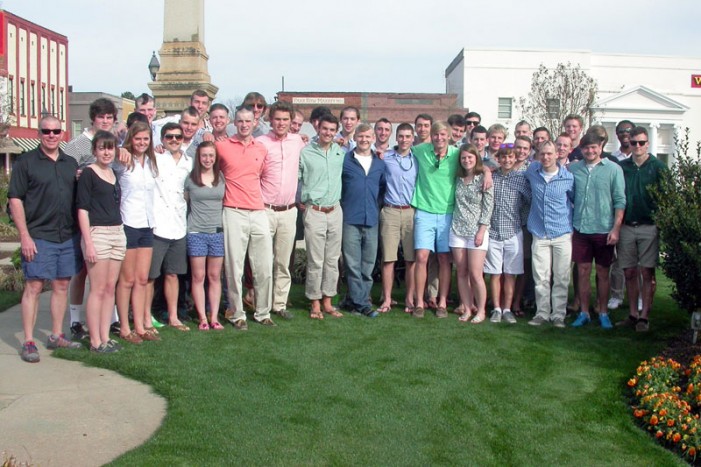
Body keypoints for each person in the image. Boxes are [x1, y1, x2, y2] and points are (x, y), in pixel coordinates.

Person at [9, 116, 83, 362]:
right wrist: (24, 236)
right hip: (39, 236)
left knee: (62, 285)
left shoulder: (70, 163)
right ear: (39, 133)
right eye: (46, 131)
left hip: (67, 235)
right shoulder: (26, 163)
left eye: (56, 131)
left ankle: (56, 335)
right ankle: (29, 341)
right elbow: (15, 199)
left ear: (62, 133)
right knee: (35, 286)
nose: (51, 135)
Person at [64, 97, 119, 340]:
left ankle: (110, 321)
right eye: (101, 117)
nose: (105, 121)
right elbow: (65, 175)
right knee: (83, 272)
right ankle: (76, 320)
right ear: (93, 119)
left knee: (107, 280)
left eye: (109, 118)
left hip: (109, 218)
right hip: (85, 217)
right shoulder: (77, 146)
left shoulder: (114, 143)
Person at [217, 106, 275, 329]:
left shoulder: (260, 148)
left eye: (247, 121)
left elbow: (262, 175)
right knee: (234, 267)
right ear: (234, 122)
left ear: (254, 123)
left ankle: (263, 312)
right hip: (233, 210)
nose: (243, 124)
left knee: (263, 265)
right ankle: (237, 314)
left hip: (258, 210)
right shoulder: (222, 147)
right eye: (240, 121)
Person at [76, 131, 126, 352]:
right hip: (98, 234)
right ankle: (95, 340)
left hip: (117, 232)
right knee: (97, 289)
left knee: (109, 288)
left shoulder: (114, 173)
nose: (107, 152)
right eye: (102, 148)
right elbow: (82, 210)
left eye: (110, 148)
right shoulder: (89, 173)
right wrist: (88, 242)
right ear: (94, 150)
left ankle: (105, 336)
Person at [569, 132, 626, 329]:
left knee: (603, 273)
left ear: (600, 147)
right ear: (581, 149)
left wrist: (616, 228)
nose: (590, 151)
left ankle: (603, 312)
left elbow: (620, 200)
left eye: (594, 147)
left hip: (604, 230)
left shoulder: (613, 169)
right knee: (583, 271)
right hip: (581, 229)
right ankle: (584, 312)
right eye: (586, 147)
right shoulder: (573, 169)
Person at [258, 101, 306, 319]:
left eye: (285, 119)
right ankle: (262, 305)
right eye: (277, 119)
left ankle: (279, 304)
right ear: (270, 119)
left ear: (291, 121)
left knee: (283, 262)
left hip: (289, 210)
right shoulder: (261, 143)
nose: (281, 123)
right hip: (265, 209)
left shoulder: (298, 142)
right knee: (263, 261)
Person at [616, 127, 667, 332]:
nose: (637, 146)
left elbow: (665, 198)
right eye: (633, 142)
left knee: (647, 272)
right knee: (628, 271)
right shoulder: (622, 167)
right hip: (627, 226)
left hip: (649, 226)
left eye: (641, 142)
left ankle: (644, 316)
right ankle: (632, 314)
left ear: (647, 144)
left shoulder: (658, 167)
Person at [113, 121, 160, 343]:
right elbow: (104, 159)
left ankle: (140, 326)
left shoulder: (151, 162)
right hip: (128, 223)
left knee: (142, 278)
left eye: (146, 139)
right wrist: (119, 149)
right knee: (127, 279)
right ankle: (124, 327)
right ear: (131, 138)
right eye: (138, 138)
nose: (142, 143)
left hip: (147, 225)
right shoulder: (123, 161)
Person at [298, 113, 346, 319]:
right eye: (325, 129)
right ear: (318, 128)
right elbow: (296, 178)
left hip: (335, 210)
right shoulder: (305, 152)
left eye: (332, 130)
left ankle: (328, 300)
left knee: (332, 259)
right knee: (316, 260)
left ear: (336, 132)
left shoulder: (340, 152)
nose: (328, 133)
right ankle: (315, 301)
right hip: (314, 211)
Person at [411, 121, 459, 318]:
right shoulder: (421, 150)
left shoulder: (456, 154)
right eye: (435, 135)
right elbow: (401, 150)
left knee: (444, 259)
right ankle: (420, 303)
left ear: (448, 135)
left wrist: (488, 172)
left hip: (447, 213)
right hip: (424, 211)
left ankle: (441, 302)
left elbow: (478, 162)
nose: (439, 138)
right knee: (421, 257)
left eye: (442, 134)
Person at [148, 122, 193, 331]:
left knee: (173, 274)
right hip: (158, 225)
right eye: (169, 137)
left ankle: (173, 316)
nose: (174, 140)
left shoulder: (189, 162)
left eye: (178, 137)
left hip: (179, 226)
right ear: (162, 139)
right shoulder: (155, 159)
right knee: (151, 276)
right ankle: (145, 316)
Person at [525, 141, 574, 328]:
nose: (545, 157)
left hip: (561, 233)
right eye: (542, 154)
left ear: (556, 154)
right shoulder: (533, 172)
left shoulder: (567, 178)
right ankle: (542, 313)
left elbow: (573, 201)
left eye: (549, 154)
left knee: (561, 277)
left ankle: (559, 315)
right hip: (540, 233)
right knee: (541, 277)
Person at [341, 123, 386, 317]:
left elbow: (382, 189)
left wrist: (376, 207)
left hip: (372, 218)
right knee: (352, 264)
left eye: (368, 137)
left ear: (373, 138)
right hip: (351, 217)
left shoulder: (379, 163)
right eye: (361, 137)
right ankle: (362, 305)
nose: (364, 140)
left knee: (367, 265)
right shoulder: (346, 160)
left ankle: (355, 301)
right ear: (355, 138)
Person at [484, 146, 531, 324]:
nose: (507, 161)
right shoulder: (492, 177)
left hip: (513, 232)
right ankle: (496, 308)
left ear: (514, 158)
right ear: (499, 159)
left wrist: (523, 220)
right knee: (495, 273)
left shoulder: (521, 179)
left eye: (510, 157)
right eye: (503, 157)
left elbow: (529, 201)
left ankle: (507, 308)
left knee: (510, 273)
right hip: (494, 231)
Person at [450, 144, 494, 324]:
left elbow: (488, 207)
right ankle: (467, 308)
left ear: (476, 158)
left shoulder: (484, 177)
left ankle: (481, 310)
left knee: (476, 274)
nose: (467, 160)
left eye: (470, 157)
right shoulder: (458, 178)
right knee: (461, 272)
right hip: (457, 230)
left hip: (477, 231)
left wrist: (482, 230)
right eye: (463, 158)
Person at [185, 141, 225, 330]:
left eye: (211, 155)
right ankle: (202, 318)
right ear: (198, 157)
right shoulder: (191, 179)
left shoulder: (221, 177)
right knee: (198, 276)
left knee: (215, 275)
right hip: (196, 232)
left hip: (217, 232)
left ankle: (214, 317)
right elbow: (185, 201)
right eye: (204, 156)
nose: (207, 159)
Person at [378, 123, 418, 314]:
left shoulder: (417, 159)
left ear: (412, 138)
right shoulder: (385, 157)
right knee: (388, 259)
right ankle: (387, 298)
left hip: (411, 212)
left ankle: (410, 299)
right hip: (390, 211)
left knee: (411, 259)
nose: (404, 139)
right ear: (396, 137)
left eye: (407, 136)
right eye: (401, 136)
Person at [607, 119, 636, 311]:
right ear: (616, 135)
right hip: (616, 215)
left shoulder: (640, 156)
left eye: (628, 131)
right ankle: (616, 295)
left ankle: (639, 297)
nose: (624, 134)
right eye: (620, 131)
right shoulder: (612, 159)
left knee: (638, 260)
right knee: (616, 260)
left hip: (635, 216)